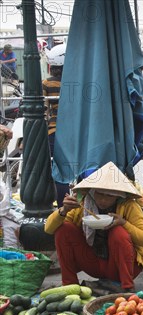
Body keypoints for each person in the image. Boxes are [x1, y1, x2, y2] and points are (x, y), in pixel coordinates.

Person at [44, 162, 143, 292]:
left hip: (123, 267)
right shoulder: (83, 203)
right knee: (64, 229)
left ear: (118, 195)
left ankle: (127, 288)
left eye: (109, 196)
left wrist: (124, 223)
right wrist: (63, 210)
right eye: (100, 194)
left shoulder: (129, 206)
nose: (103, 200)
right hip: (93, 263)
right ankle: (69, 286)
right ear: (92, 191)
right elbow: (49, 229)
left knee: (118, 232)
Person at [42, 44, 70, 206]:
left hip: (55, 131)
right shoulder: (78, 82)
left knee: (60, 172)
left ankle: (63, 208)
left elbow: (43, 111)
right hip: (77, 133)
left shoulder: (46, 83)